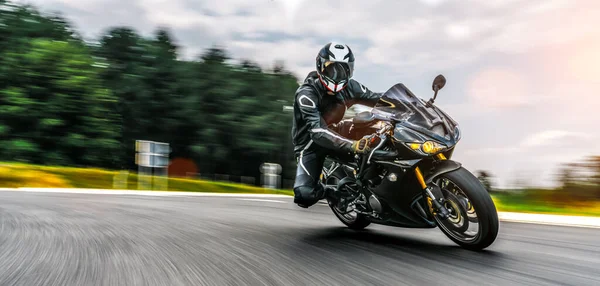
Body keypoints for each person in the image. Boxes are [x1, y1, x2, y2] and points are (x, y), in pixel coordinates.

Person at [291, 42, 383, 208]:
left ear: (350, 70)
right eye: (331, 68)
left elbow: (379, 99)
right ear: (320, 66)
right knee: (304, 195)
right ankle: (330, 191)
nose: (337, 74)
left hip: (338, 131)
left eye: (343, 69)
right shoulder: (306, 94)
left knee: (375, 129)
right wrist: (353, 145)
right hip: (310, 144)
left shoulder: (351, 86)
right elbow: (318, 132)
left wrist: (410, 103)